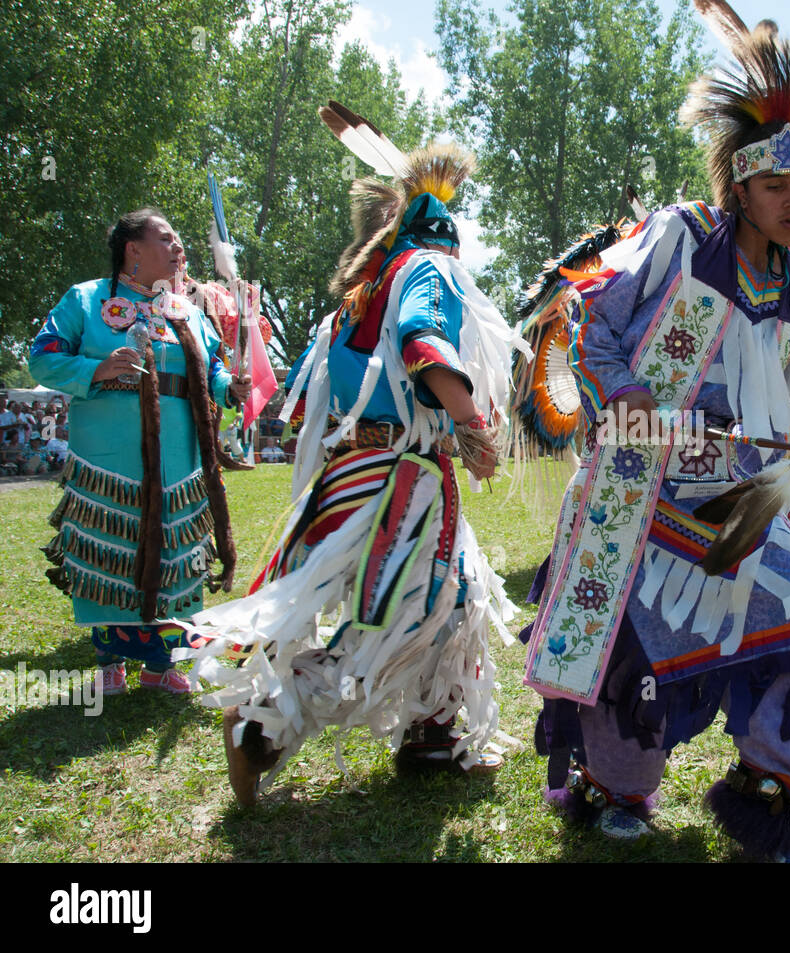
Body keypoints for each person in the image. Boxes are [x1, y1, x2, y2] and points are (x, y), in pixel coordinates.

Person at [521, 6, 790, 861]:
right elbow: (590, 314)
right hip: (639, 498)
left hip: (740, 503)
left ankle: (770, 796)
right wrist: (624, 395)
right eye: (776, 186)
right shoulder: (684, 241)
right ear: (739, 184)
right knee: (629, 653)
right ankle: (613, 785)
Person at [183, 115, 524, 807]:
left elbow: (318, 399)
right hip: (403, 480)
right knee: (399, 618)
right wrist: (470, 422)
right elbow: (423, 341)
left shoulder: (359, 294)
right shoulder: (427, 269)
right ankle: (264, 725)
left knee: (453, 601)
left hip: (356, 474)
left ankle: (434, 733)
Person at [28, 209, 250, 694]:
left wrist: (228, 386)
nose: (177, 247)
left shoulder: (185, 310)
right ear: (133, 248)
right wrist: (96, 368)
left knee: (174, 546)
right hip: (110, 451)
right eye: (166, 238)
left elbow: (211, 365)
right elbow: (41, 357)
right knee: (114, 546)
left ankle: (159, 665)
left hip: (180, 450)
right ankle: (111, 662)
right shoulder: (87, 300)